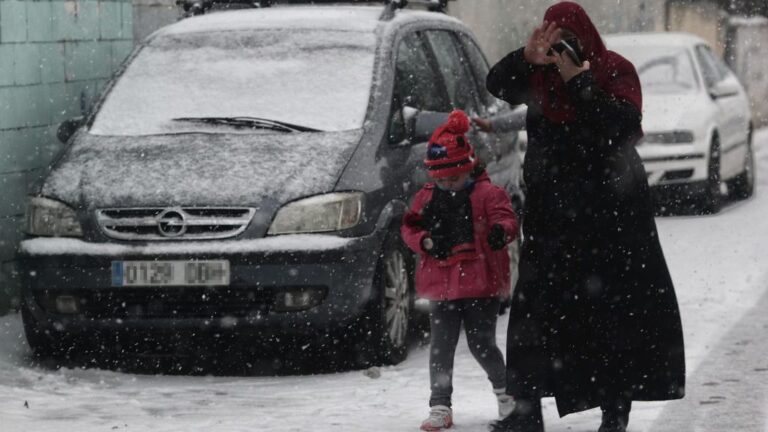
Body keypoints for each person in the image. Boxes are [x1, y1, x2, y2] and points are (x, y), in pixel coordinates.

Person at [484, 3, 686, 432]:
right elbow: (496, 83)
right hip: (552, 215)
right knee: (534, 312)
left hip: (610, 215)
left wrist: (581, 82)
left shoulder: (614, 69)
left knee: (612, 316)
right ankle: (525, 411)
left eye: (569, 39)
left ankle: (615, 412)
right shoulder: (538, 75)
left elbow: (622, 125)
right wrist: (526, 57)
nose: (562, 48)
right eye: (555, 38)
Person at [401, 110, 520, 431]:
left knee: (482, 343)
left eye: (453, 177)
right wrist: (424, 241)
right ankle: (440, 404)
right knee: (441, 345)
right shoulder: (426, 197)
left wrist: (501, 232)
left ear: (468, 167)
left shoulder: (488, 194)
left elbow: (506, 219)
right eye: (439, 178)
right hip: (442, 285)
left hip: (482, 284)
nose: (446, 184)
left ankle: (507, 394)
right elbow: (410, 228)